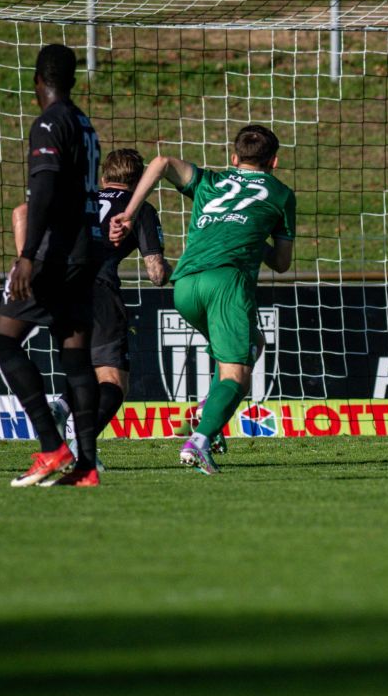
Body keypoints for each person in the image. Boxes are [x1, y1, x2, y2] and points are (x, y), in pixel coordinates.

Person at [110, 124, 295, 473]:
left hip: (185, 285)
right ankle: (199, 441)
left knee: (252, 342)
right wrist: (253, 232)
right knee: (237, 373)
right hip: (225, 282)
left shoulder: (210, 181)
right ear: (275, 161)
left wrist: (130, 212)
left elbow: (162, 162)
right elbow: (282, 263)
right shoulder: (282, 195)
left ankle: (207, 411)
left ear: (235, 158)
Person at [12, 147, 172, 460]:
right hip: (98, 289)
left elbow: (22, 213)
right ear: (139, 182)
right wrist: (175, 269)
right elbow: (155, 274)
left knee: (84, 366)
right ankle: (82, 447)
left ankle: (59, 408)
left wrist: (25, 261)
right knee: (113, 379)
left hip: (58, 287)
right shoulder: (139, 207)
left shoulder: (81, 199)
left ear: (103, 177)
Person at [0, 43, 105, 487]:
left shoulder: (49, 123)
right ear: (72, 80)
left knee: (4, 341)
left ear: (37, 80)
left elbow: (42, 192)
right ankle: (87, 466)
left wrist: (26, 256)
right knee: (75, 357)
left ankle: (51, 445)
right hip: (86, 251)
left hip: (54, 254)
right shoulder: (84, 123)